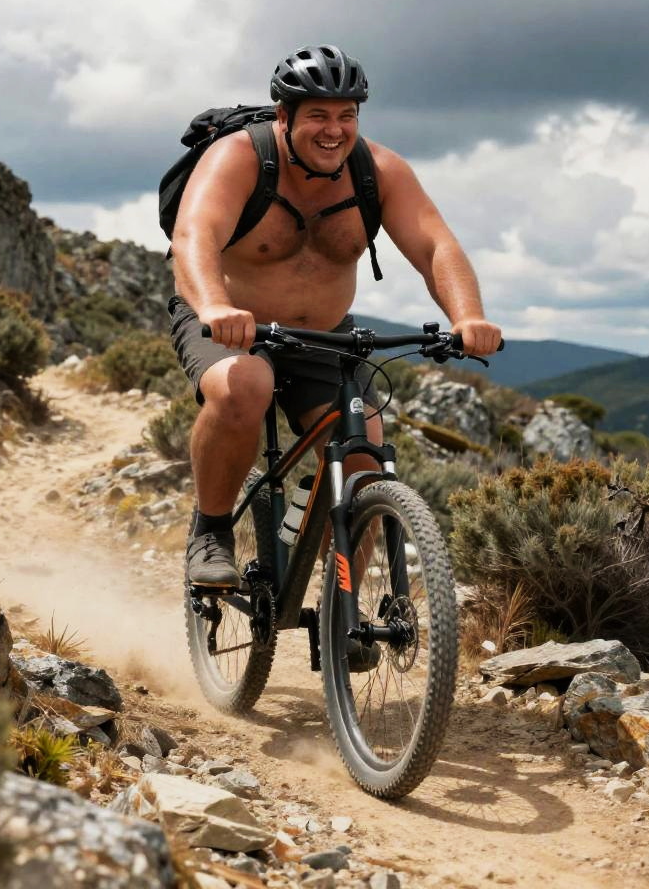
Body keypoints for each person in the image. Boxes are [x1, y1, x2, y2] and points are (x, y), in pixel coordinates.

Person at [169, 44, 502, 589]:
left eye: (347, 115)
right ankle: (211, 532)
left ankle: (339, 607)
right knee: (244, 387)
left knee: (364, 450)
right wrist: (215, 306)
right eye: (318, 115)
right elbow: (194, 236)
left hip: (323, 337)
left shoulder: (379, 170)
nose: (334, 130)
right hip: (229, 324)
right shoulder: (239, 158)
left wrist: (469, 317)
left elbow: (434, 246)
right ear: (284, 117)